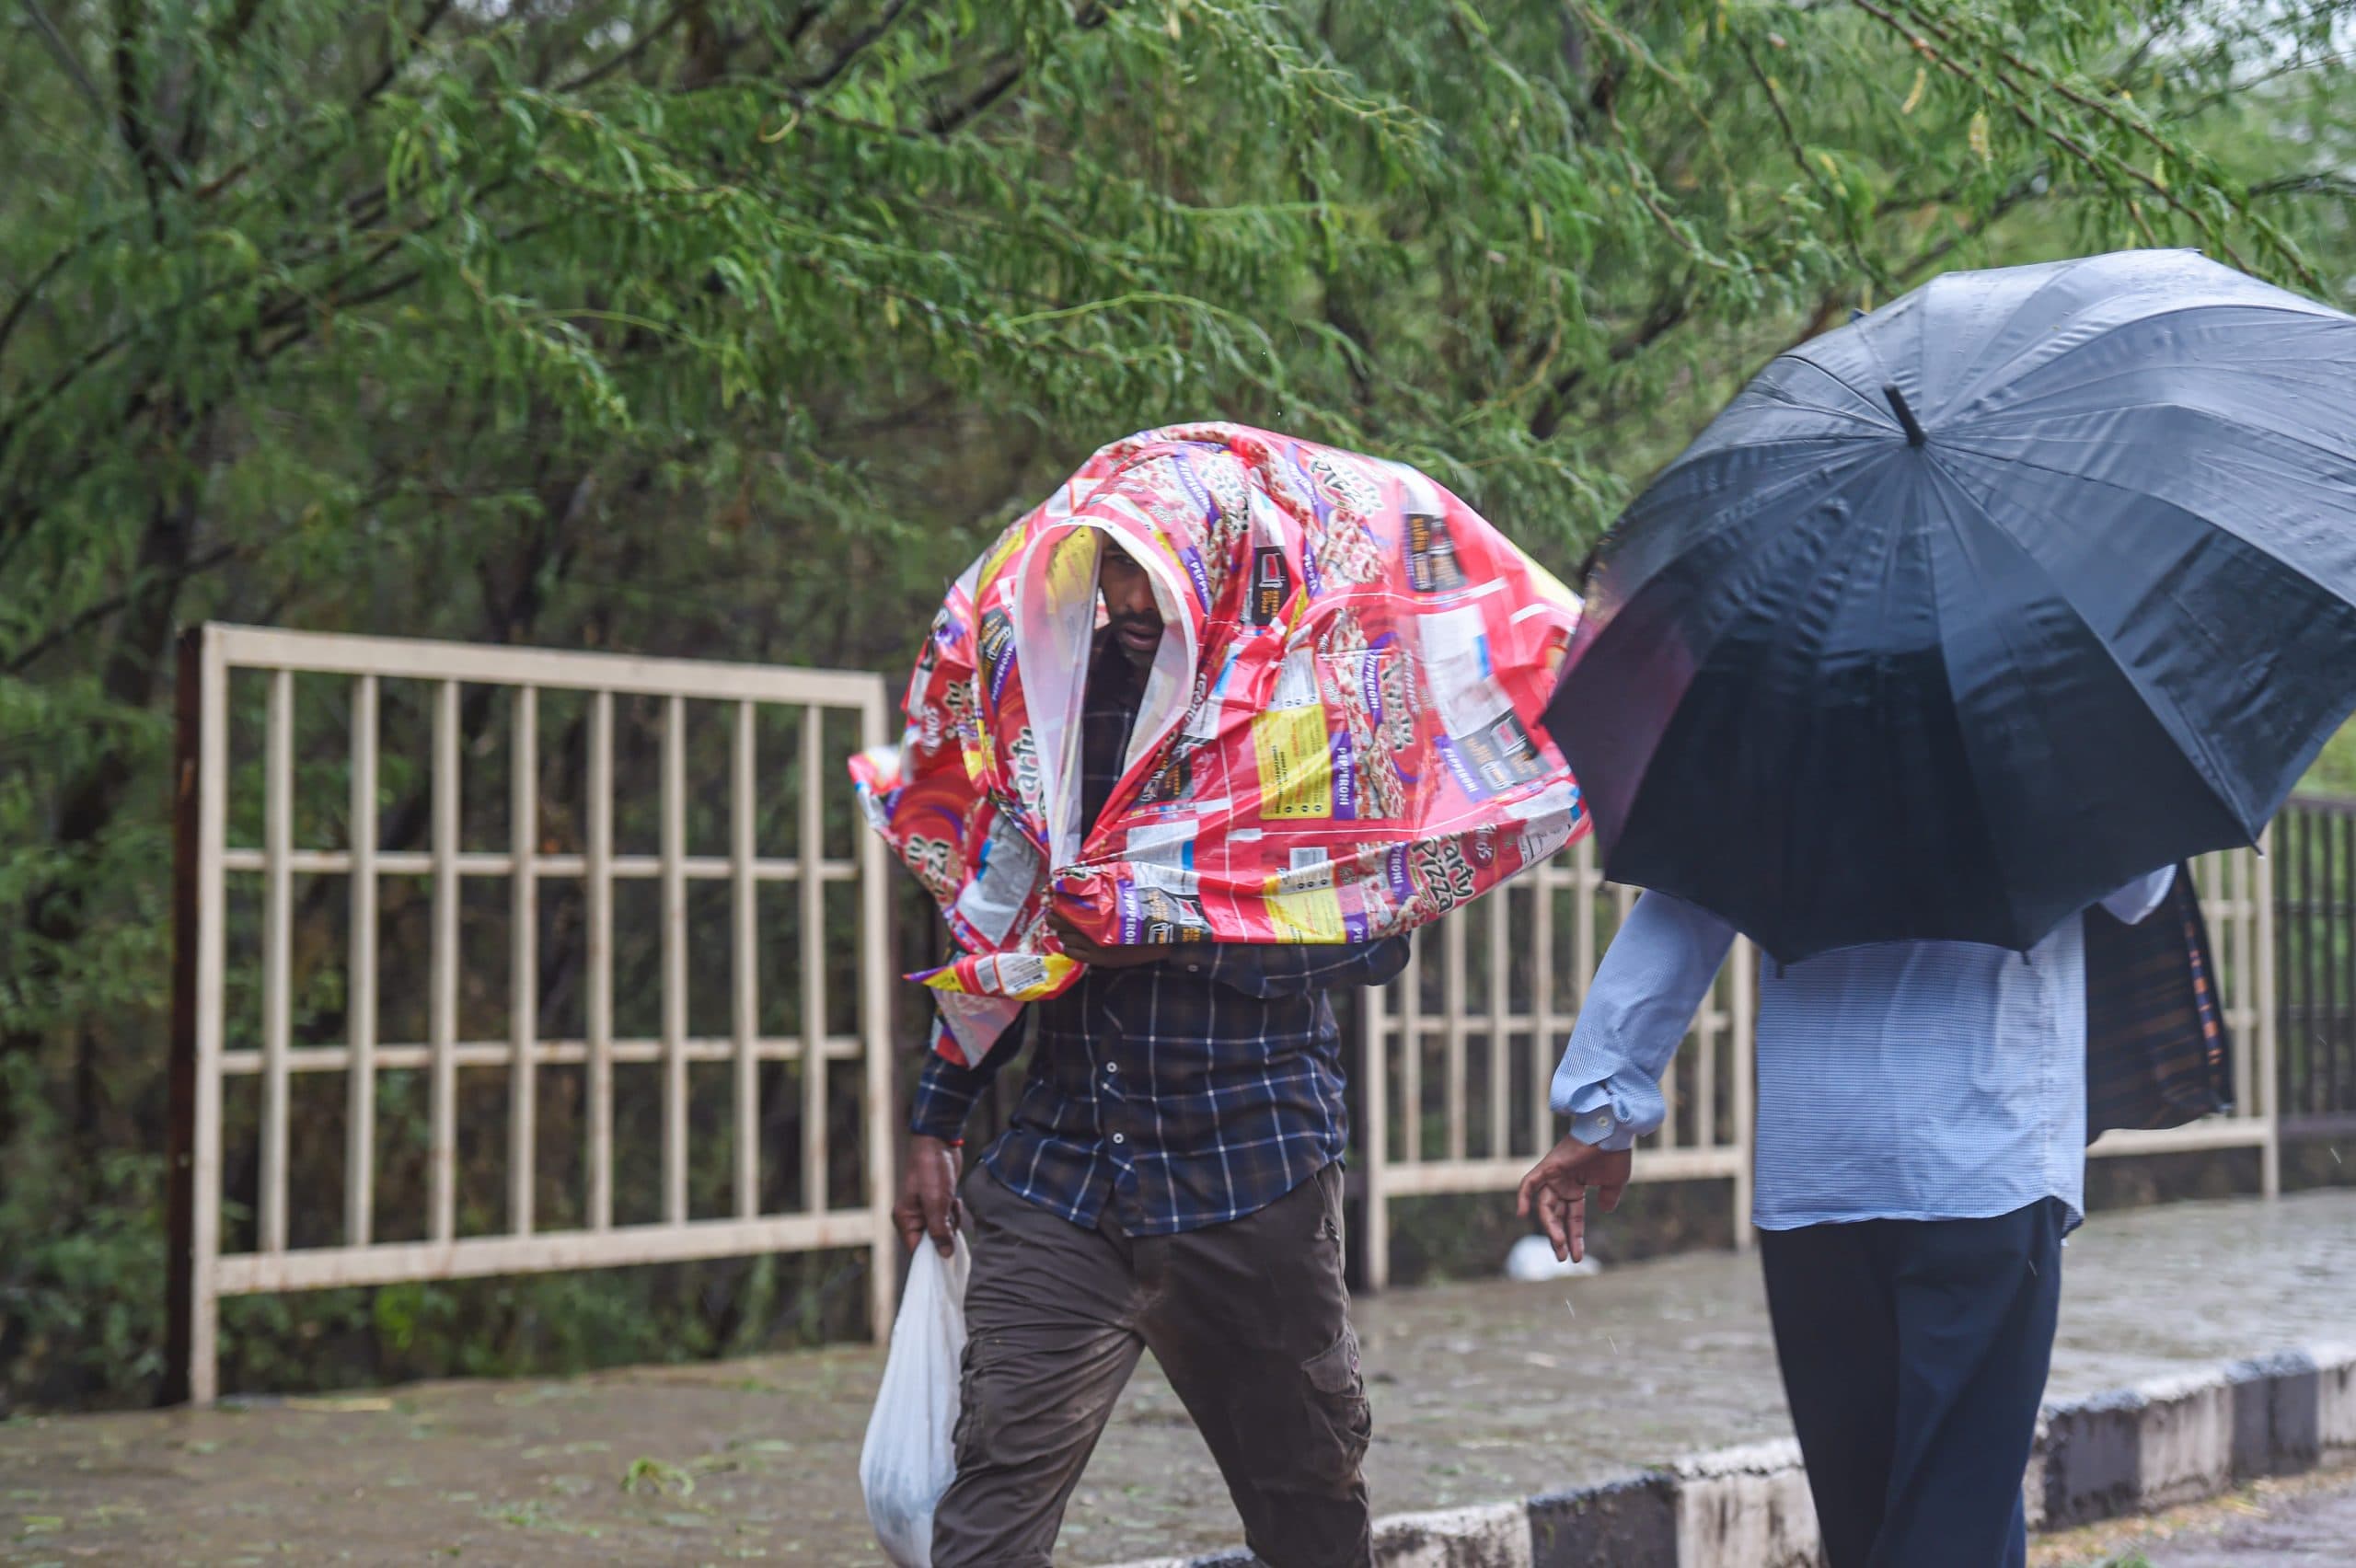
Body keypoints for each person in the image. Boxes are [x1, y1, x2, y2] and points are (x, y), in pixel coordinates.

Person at [896, 537, 1410, 1568]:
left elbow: (1379, 936)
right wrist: (937, 1117)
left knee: (1306, 1501)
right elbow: (995, 923)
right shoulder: (1055, 709)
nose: (1129, 600)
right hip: (1067, 1172)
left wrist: (1160, 922)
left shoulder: (1307, 716)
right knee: (991, 1491)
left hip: (1251, 1180)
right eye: (1112, 571)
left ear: (1218, 578)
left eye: (1156, 577)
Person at [1518, 870, 2177, 1568]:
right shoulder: (2047, 757)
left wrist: (1604, 1111)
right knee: (1957, 1508)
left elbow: (1689, 902)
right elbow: (2138, 889)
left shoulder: (1771, 760)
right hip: (1985, 1155)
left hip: (1818, 1160)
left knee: (1872, 1518)